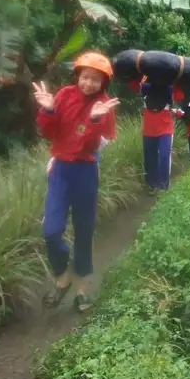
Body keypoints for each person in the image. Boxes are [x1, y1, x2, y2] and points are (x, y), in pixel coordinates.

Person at [34, 51, 120, 314]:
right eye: (85, 77)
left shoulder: (104, 105)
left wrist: (95, 119)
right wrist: (48, 110)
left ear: (103, 83)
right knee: (51, 230)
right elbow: (50, 132)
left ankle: (82, 289)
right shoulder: (64, 95)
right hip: (60, 169)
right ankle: (62, 277)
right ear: (77, 76)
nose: (88, 84)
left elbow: (96, 142)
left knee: (83, 230)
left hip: (85, 171)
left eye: (95, 80)